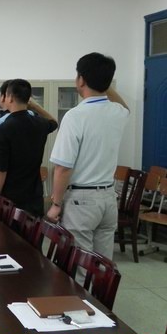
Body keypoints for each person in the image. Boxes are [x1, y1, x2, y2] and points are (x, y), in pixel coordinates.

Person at [47, 52, 129, 261]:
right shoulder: (118, 113)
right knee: (102, 265)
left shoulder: (75, 116)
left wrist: (56, 204)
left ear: (81, 79)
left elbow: (63, 168)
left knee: (80, 266)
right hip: (108, 198)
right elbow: (125, 107)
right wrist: (104, 82)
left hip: (81, 201)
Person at [0, 79, 58, 216]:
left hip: (11, 198)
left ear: (10, 97)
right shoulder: (40, 123)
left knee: (7, 231)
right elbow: (54, 122)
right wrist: (35, 106)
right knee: (33, 229)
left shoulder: (4, 127)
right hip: (35, 196)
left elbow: (1, 168)